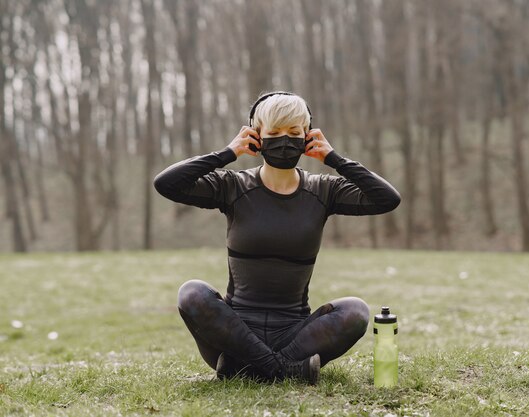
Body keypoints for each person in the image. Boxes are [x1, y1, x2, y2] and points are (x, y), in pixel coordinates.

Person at [153, 91, 401, 385]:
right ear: (256, 137)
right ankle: (284, 371)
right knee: (191, 293)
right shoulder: (232, 186)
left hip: (296, 336)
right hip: (233, 334)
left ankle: (244, 369)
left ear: (308, 137)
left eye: (294, 132)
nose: (285, 140)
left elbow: (387, 199)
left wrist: (334, 159)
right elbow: (166, 183)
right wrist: (227, 153)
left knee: (356, 311)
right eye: (274, 132)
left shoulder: (324, 191)